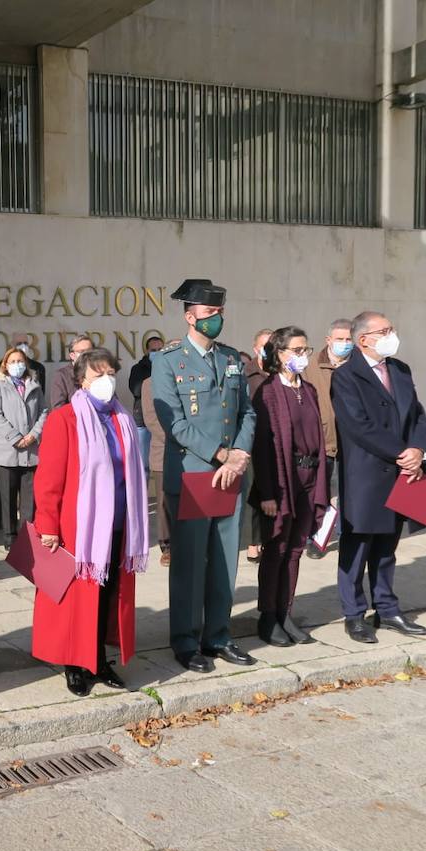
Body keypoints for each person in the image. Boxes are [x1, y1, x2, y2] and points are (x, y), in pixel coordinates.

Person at [151, 279, 257, 673]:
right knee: (190, 564)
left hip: (231, 474)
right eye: (210, 314)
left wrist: (240, 454)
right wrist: (221, 453)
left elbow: (247, 411)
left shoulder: (231, 359)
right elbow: (173, 422)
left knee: (225, 561)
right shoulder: (168, 360)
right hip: (196, 475)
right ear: (190, 315)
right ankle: (184, 639)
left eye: (220, 313)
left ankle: (218, 635)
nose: (217, 319)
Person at [33, 348, 149, 696]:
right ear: (81, 380)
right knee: (76, 601)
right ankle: (74, 663)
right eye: (98, 375)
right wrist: (47, 525)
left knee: (107, 595)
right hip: (78, 529)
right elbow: (49, 479)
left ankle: (98, 659)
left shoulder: (122, 418)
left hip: (116, 525)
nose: (106, 380)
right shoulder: (65, 418)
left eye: (110, 373)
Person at [330, 311, 426, 644]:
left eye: (392, 328)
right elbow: (358, 425)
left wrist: (417, 449)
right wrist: (401, 453)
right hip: (367, 475)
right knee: (357, 548)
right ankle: (354, 614)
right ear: (363, 340)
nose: (392, 334)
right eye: (384, 330)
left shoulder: (400, 369)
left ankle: (387, 609)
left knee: (388, 547)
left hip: (404, 472)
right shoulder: (346, 376)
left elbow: (417, 414)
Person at [250, 326, 329, 647]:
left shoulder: (308, 390)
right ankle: (268, 616)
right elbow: (262, 447)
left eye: (305, 350)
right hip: (281, 479)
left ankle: (286, 612)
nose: (302, 356)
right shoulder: (267, 392)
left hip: (308, 477)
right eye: (296, 350)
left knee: (295, 549)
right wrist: (267, 492)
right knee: (276, 550)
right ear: (279, 354)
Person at [300, 318, 354, 559]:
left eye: (348, 339)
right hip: (323, 441)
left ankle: (347, 538)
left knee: (349, 495)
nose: (344, 343)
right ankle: (317, 538)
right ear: (328, 340)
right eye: (340, 339)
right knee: (320, 494)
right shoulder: (311, 365)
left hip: (352, 444)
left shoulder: (359, 366)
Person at [0, 347, 46, 546]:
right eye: (12, 361)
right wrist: (15, 437)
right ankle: (9, 537)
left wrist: (33, 435)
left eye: (20, 361)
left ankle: (26, 538)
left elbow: (43, 412)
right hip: (7, 450)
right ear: (5, 364)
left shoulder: (34, 385)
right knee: (8, 497)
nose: (17, 365)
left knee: (29, 499)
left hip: (30, 450)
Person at [240, 328, 273, 564]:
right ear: (255, 348)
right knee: (254, 493)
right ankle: (253, 543)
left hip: (276, 443)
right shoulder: (245, 375)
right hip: (252, 442)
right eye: (264, 345)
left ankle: (270, 538)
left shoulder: (280, 373)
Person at [137, 373, 173, 566]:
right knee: (164, 502)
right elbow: (151, 420)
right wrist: (180, 438)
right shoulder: (149, 383)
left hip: (193, 453)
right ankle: (167, 546)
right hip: (164, 451)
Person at [128, 336, 164, 475]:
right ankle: (143, 495)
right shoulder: (138, 368)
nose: (157, 352)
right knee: (143, 465)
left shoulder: (166, 366)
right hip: (142, 420)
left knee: (161, 465)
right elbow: (136, 390)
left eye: (160, 349)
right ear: (147, 351)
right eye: (153, 350)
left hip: (162, 423)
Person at [48, 334, 94, 410]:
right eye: (82, 351)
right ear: (72, 355)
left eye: (90, 351)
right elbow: (58, 409)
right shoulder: (61, 376)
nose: (87, 355)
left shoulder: (99, 373)